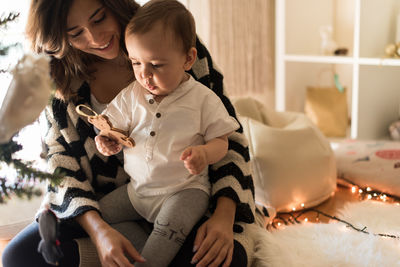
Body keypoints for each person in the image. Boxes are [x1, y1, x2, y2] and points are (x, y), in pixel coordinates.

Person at [2, 0, 257, 266]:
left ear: (114, 5)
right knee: (19, 256)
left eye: (99, 18)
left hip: (188, 199)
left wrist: (223, 216)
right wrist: (99, 231)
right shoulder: (58, 76)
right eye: (75, 33)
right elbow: (60, 164)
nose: (95, 38)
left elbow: (230, 139)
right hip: (117, 206)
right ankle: (132, 252)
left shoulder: (169, 39)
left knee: (220, 257)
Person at [94, 1, 239, 265]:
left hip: (184, 191)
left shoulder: (202, 99)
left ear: (188, 59)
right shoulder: (132, 95)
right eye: (136, 63)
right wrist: (107, 139)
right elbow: (110, 125)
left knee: (167, 230)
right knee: (99, 215)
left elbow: (222, 142)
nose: (144, 75)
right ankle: (150, 252)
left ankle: (154, 255)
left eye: (157, 65)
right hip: (138, 191)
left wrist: (205, 153)